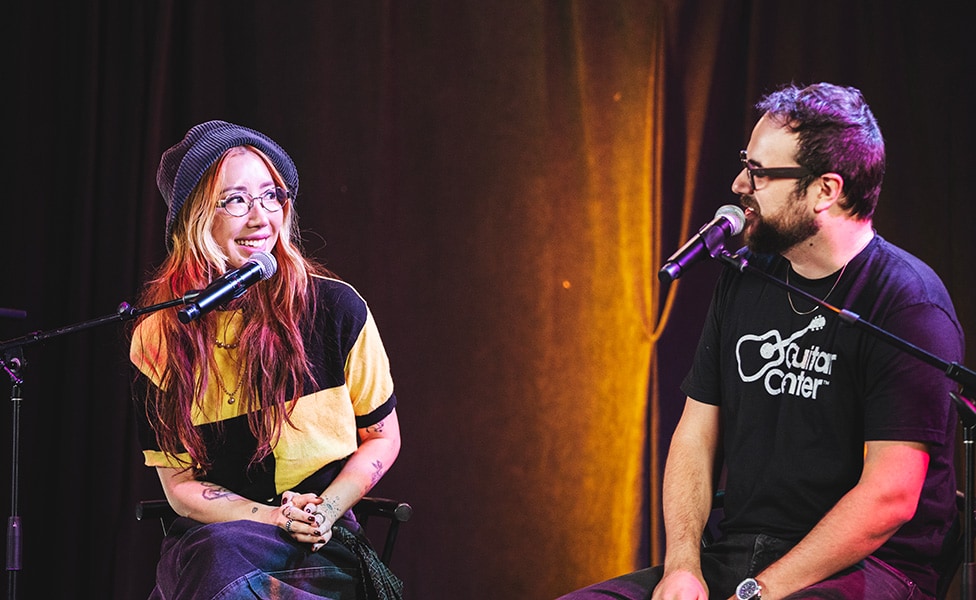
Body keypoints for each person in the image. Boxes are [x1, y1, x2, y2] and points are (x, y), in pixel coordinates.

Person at [559, 83, 964, 599]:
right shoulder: (747, 274)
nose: (737, 184)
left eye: (759, 173)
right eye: (744, 164)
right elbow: (695, 434)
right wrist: (683, 566)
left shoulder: (908, 303)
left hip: (869, 568)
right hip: (742, 552)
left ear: (826, 190)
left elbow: (890, 496)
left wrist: (761, 592)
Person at [128, 120, 403, 600]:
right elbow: (180, 486)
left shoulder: (336, 309)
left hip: (319, 544)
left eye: (271, 195)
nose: (261, 218)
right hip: (211, 543)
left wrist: (323, 511)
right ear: (194, 216)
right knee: (216, 557)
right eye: (235, 199)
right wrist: (271, 516)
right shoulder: (158, 336)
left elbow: (382, 437)